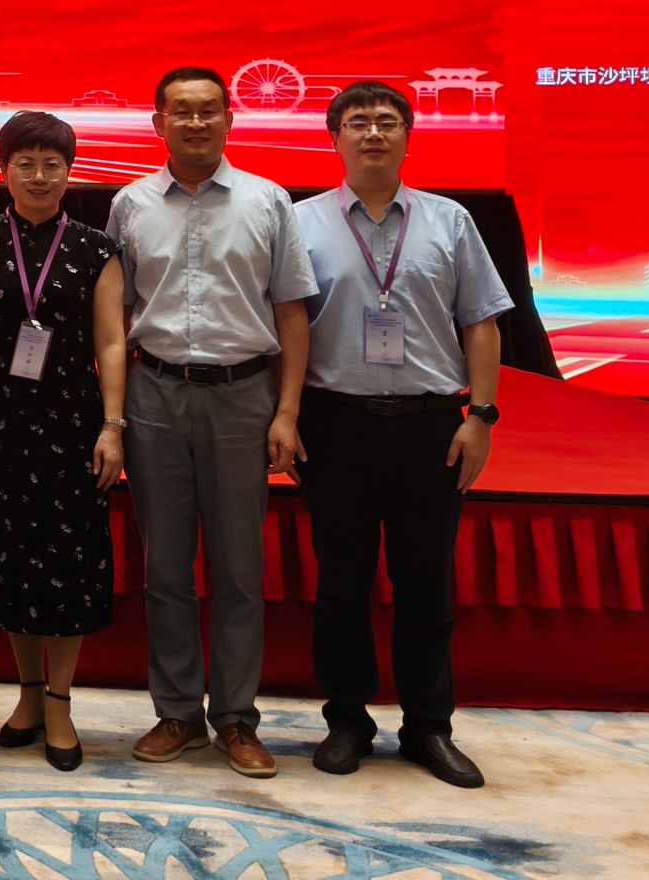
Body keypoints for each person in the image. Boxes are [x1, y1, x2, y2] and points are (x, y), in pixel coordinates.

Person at [293, 81, 510, 789]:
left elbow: (481, 321)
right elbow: (284, 329)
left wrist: (480, 416)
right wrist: (285, 416)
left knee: (425, 584)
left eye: (387, 122)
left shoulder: (450, 220)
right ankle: (347, 722)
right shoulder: (300, 222)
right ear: (335, 138)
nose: (373, 133)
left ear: (408, 138)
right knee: (341, 584)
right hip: (335, 425)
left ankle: (428, 727)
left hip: (429, 427)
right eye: (357, 122)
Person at [105, 67, 316, 778]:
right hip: (155, 394)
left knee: (238, 568)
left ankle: (235, 718)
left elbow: (291, 312)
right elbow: (117, 317)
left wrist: (287, 411)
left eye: (209, 111)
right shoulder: (130, 204)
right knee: (165, 566)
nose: (196, 122)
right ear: (158, 123)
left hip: (243, 395)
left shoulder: (268, 201)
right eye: (181, 111)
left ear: (230, 118)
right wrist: (113, 413)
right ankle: (176, 714)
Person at [0, 111, 126, 771]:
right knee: (9, 556)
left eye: (51, 164)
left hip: (72, 423)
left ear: (68, 171)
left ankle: (60, 701)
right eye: (24, 163)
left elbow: (111, 341)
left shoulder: (94, 248)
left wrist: (113, 426)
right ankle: (28, 694)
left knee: (67, 560)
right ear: (4, 171)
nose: (38, 176)